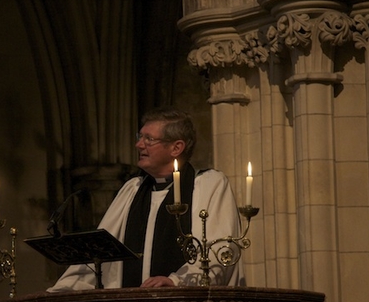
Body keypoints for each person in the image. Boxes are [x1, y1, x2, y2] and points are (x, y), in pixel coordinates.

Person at [48, 107, 242, 291]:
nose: (139, 144)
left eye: (149, 139)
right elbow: (101, 251)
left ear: (176, 147)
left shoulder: (208, 184)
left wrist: (176, 281)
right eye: (140, 137)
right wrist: (64, 287)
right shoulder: (133, 189)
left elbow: (221, 250)